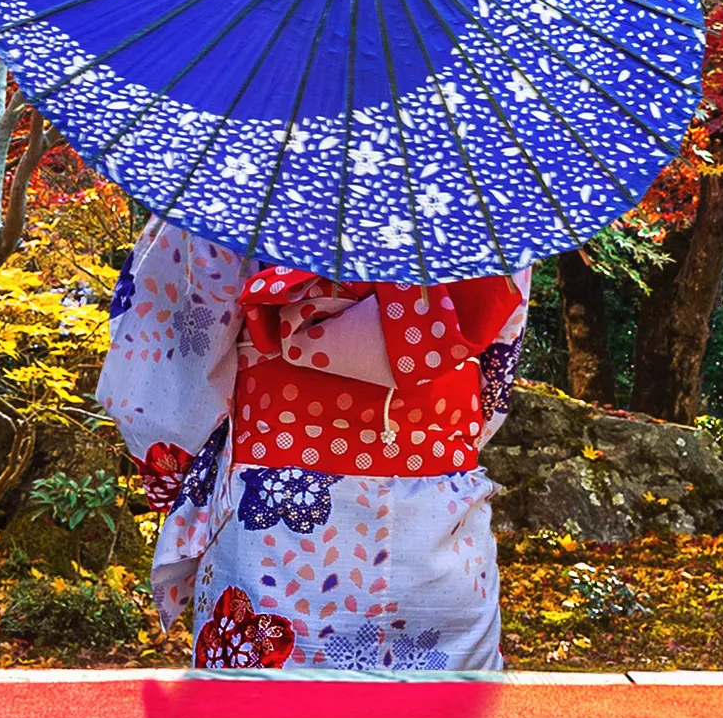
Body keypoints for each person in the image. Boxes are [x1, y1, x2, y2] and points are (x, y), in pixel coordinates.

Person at [98, 218, 528, 673]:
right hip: (441, 524)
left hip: (272, 527)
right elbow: (493, 381)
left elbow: (170, 363)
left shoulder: (244, 180)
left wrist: (175, 471)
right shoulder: (485, 195)